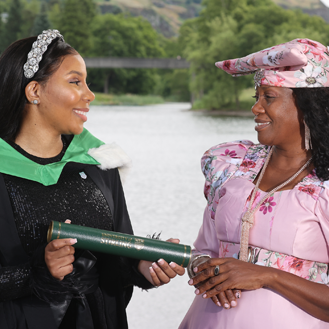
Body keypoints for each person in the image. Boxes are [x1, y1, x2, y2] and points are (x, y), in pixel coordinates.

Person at [0, 29, 185, 329]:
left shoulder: (99, 164)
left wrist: (142, 267)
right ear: (34, 91)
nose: (90, 94)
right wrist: (40, 272)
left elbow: (117, 257)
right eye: (75, 82)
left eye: (87, 82)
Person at [179, 38, 329, 329]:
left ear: (308, 105)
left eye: (269, 97)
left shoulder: (324, 187)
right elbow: (203, 251)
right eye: (255, 97)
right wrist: (202, 269)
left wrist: (267, 275)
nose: (256, 108)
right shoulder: (232, 167)